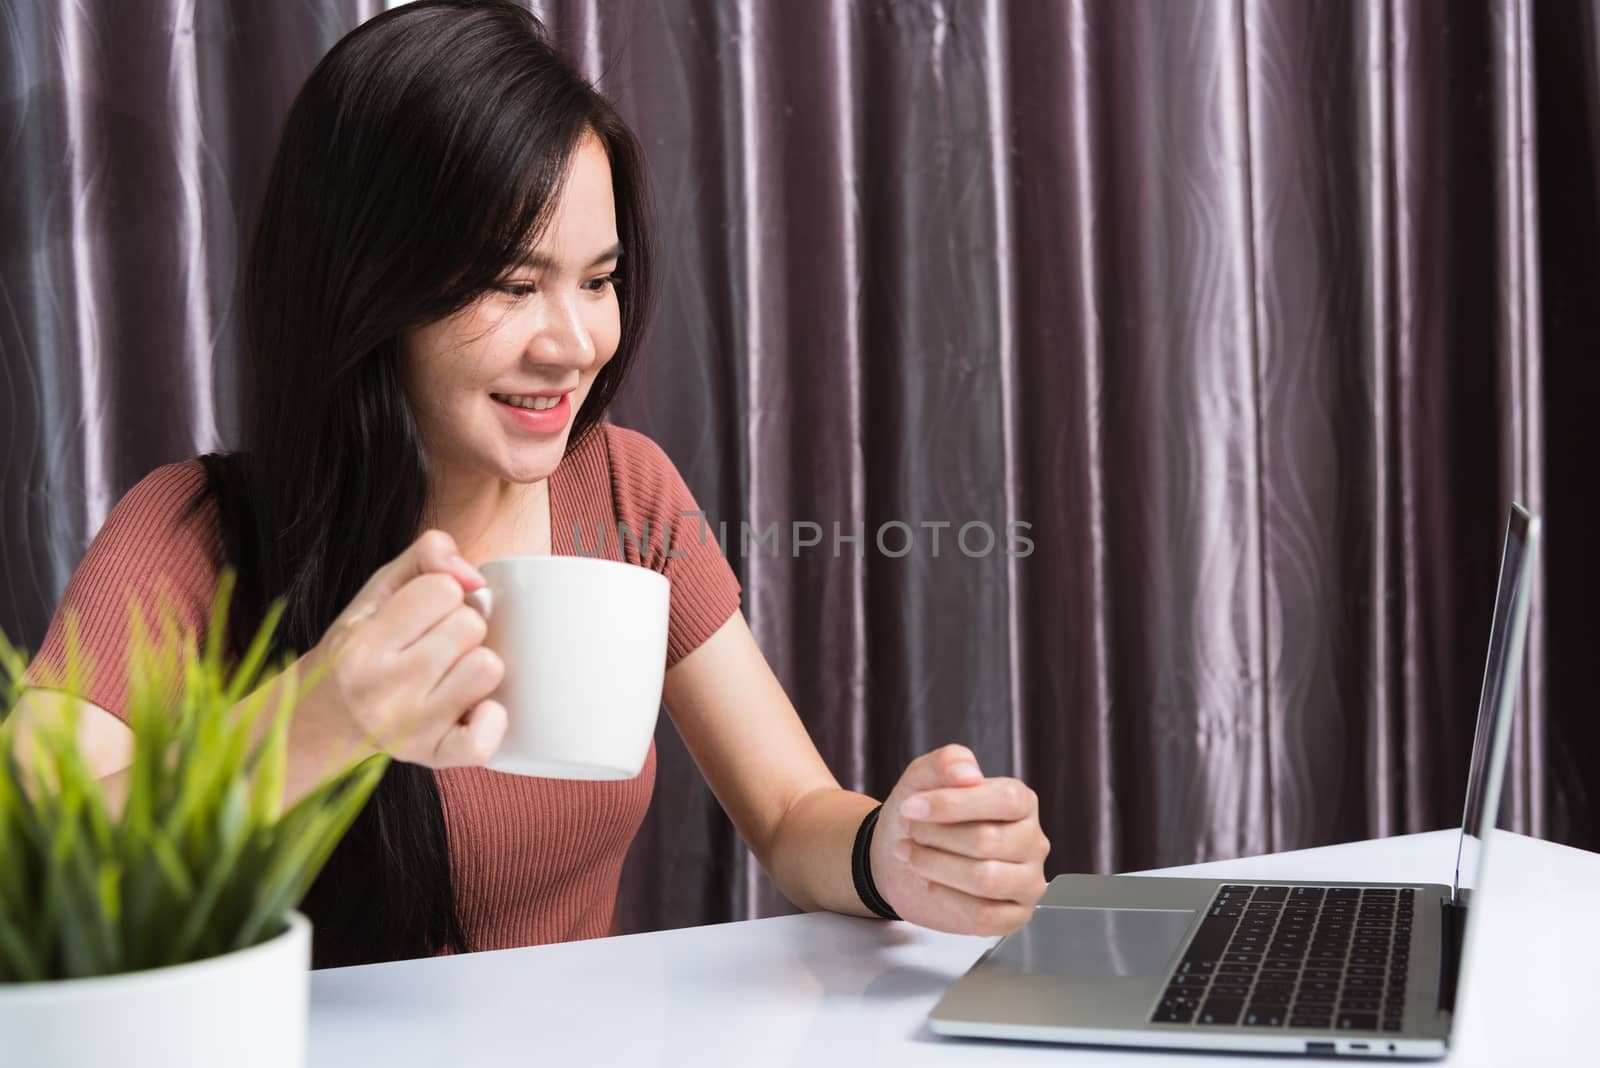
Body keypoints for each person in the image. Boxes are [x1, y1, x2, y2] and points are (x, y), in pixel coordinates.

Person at [14, 0, 1049, 968]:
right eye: (513, 285)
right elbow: (28, 865)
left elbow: (787, 813)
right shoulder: (197, 532)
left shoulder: (626, 488)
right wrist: (321, 719)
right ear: (367, 290)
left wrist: (894, 853)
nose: (574, 342)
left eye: (597, 280)